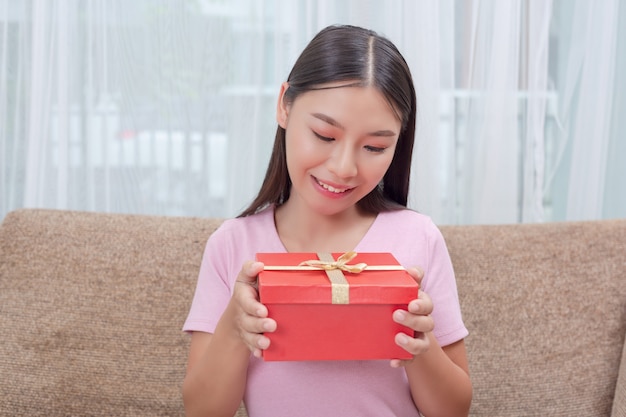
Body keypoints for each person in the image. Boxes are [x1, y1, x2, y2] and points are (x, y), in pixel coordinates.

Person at [182, 24, 472, 417]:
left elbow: (454, 410)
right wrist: (234, 329)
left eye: (374, 146)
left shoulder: (417, 238)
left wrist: (421, 348)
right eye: (324, 134)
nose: (344, 167)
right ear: (285, 105)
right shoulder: (233, 246)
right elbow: (202, 411)